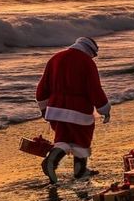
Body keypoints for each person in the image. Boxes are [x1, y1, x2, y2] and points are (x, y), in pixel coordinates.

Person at [36, 36, 111, 183]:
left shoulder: (55, 58)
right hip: (78, 110)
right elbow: (94, 89)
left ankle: (51, 160)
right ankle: (80, 171)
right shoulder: (87, 62)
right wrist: (104, 109)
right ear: (90, 51)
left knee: (63, 139)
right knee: (81, 139)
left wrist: (44, 108)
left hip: (55, 108)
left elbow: (42, 87)